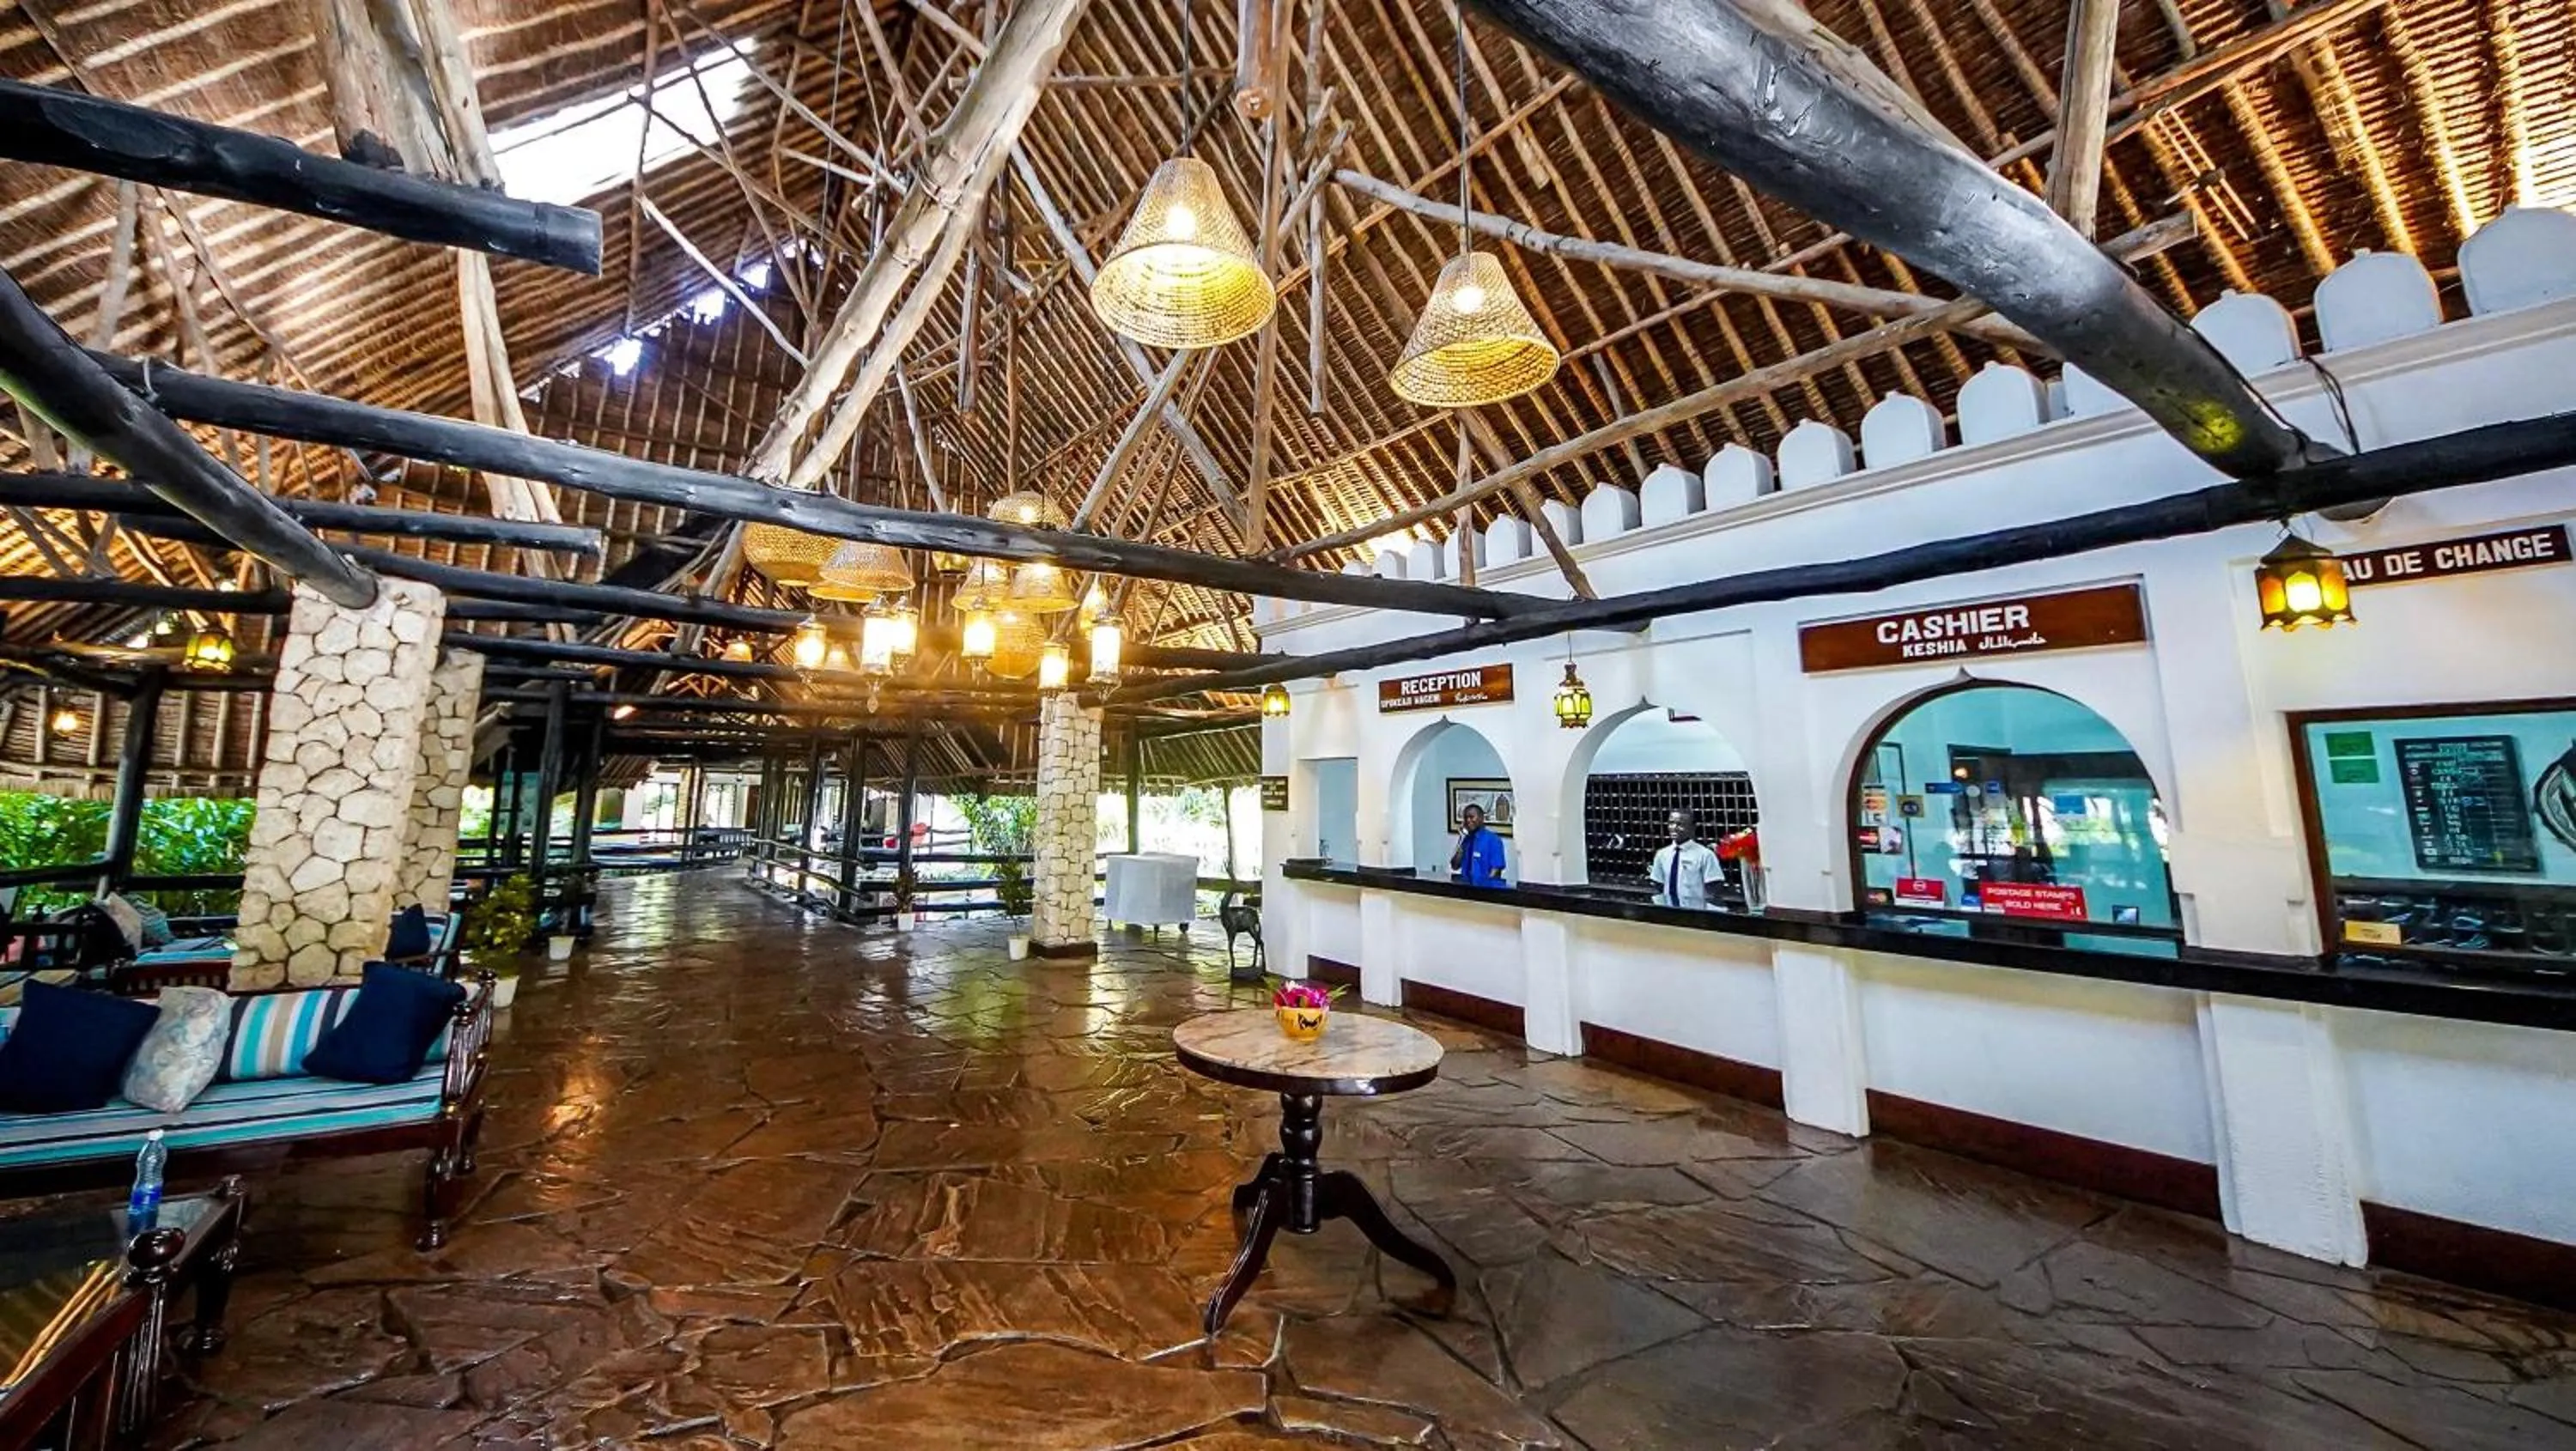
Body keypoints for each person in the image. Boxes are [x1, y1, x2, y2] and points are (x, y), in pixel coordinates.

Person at [1648, 810, 1724, 909]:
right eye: (1671, 823)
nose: (1674, 828)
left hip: (1696, 912)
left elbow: (1714, 886)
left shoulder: (1705, 855)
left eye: (1680, 824)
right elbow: (1658, 884)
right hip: (1668, 910)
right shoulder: (1662, 854)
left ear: (1692, 828)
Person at [1450, 804, 1510, 889]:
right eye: (1466, 818)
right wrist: (1462, 839)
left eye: (1472, 817)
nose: (1468, 820)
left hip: (1485, 891)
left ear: (1482, 818)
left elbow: (1495, 871)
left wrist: (1484, 891)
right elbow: (1455, 866)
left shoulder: (1493, 840)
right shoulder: (1466, 839)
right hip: (1465, 889)